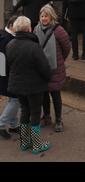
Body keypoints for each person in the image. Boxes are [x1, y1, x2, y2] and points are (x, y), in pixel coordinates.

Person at [6, 16, 52, 154]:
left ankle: (24, 142)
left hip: (18, 86)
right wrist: (47, 78)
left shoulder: (10, 45)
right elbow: (44, 68)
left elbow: (10, 65)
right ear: (29, 29)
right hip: (34, 87)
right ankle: (37, 145)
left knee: (24, 111)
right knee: (35, 113)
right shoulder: (34, 47)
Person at [34, 5, 71, 132]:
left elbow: (66, 48)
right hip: (41, 69)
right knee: (44, 94)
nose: (44, 18)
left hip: (55, 68)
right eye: (42, 16)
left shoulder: (59, 30)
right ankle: (47, 116)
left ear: (51, 17)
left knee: (55, 95)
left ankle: (59, 119)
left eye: (46, 16)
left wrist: (59, 60)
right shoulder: (36, 29)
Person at [0, 16, 20, 139]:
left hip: (2, 73)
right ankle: (1, 124)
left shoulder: (2, 35)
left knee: (13, 99)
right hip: (9, 75)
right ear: (12, 25)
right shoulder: (10, 40)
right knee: (15, 99)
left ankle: (13, 124)